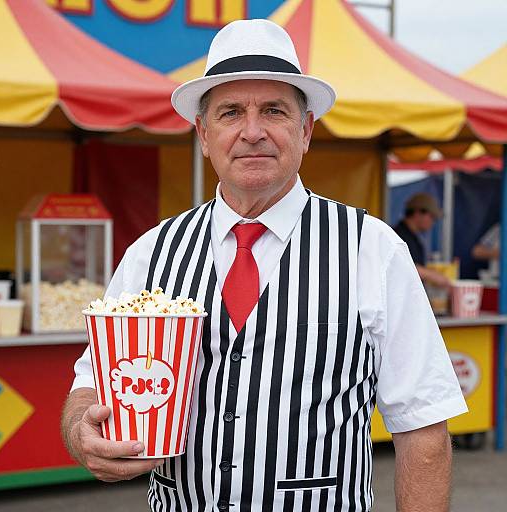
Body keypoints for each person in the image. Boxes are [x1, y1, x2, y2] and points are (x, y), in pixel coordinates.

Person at [61, 19, 467, 511]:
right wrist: (81, 429)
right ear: (204, 135)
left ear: (306, 130)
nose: (252, 132)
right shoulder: (150, 252)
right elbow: (91, 381)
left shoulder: (371, 249)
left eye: (273, 110)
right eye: (231, 113)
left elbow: (422, 424)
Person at [394, 193, 452, 288]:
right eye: (432, 217)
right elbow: (401, 265)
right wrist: (432, 275)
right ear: (417, 213)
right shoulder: (396, 235)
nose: (433, 222)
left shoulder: (412, 236)